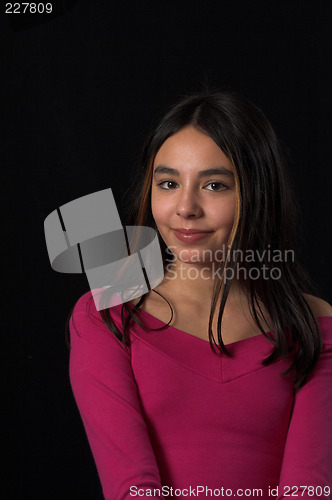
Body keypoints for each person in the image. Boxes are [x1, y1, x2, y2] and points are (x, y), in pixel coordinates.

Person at [68, 91, 332, 500]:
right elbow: (131, 489)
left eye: (214, 185)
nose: (186, 207)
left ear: (257, 192)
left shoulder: (316, 325)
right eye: (169, 183)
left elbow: (308, 488)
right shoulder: (107, 314)